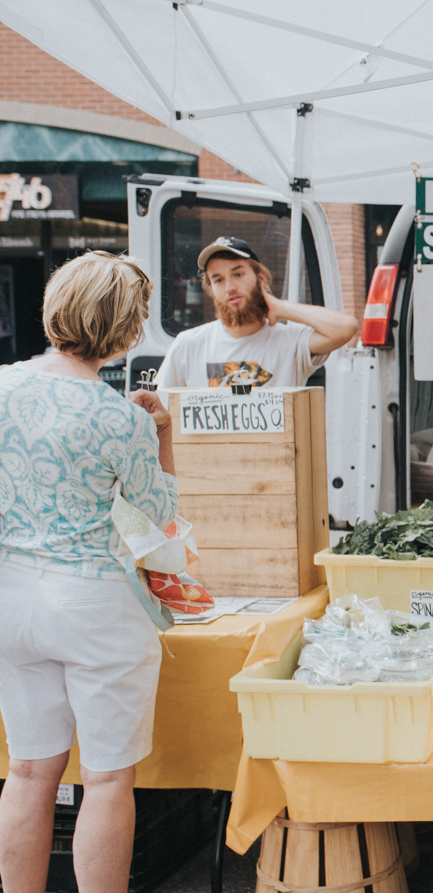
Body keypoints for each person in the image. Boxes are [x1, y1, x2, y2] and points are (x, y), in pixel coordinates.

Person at [0, 252, 181, 893]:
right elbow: (154, 525)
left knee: (27, 771)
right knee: (105, 779)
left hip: (12, 597)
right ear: (128, 329)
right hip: (96, 605)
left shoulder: (0, 387)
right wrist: (161, 436)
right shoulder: (121, 418)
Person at [153, 236, 357, 388]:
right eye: (218, 280)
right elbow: (160, 410)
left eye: (238, 274)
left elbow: (345, 328)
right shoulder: (188, 344)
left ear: (260, 279)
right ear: (211, 289)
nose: (230, 287)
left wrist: (282, 308)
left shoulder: (290, 342)